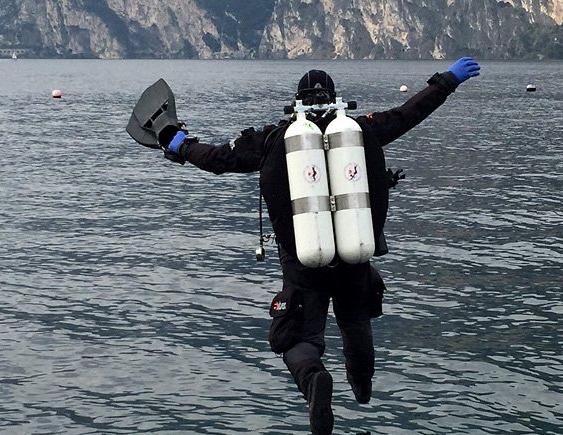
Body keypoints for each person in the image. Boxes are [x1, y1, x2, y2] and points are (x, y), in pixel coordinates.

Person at [153, 57, 480, 434]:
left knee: (295, 337)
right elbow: (410, 112)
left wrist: (179, 144)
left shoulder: (275, 137)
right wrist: (446, 81)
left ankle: (313, 380)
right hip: (354, 255)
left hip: (303, 263)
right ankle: (361, 385)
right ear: (335, 97)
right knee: (356, 321)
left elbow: (217, 159)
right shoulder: (360, 129)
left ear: (296, 102)